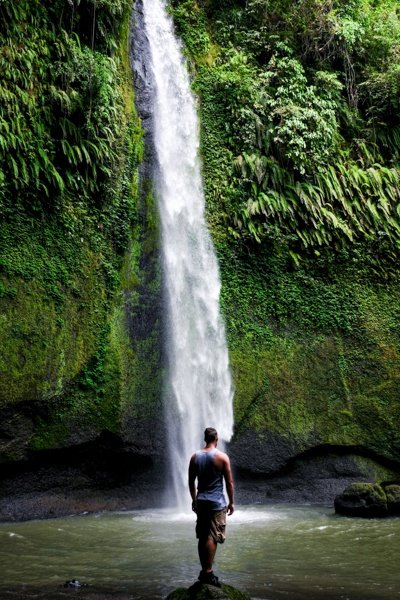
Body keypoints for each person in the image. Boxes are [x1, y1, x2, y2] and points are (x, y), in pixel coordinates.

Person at [188, 427, 234, 587]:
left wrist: (194, 500)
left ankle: (204, 570)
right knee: (212, 536)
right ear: (217, 439)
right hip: (216, 504)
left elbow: (190, 482)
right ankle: (208, 572)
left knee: (202, 536)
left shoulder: (195, 457)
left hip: (201, 501)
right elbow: (229, 483)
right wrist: (232, 502)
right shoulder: (222, 458)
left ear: (205, 439)